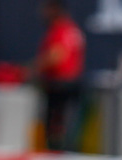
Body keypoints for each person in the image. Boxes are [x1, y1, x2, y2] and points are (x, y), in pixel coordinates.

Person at [35, 0, 85, 151]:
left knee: (56, 128)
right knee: (67, 125)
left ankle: (56, 152)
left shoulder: (60, 29)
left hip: (60, 86)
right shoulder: (73, 29)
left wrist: (31, 69)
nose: (42, 13)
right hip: (71, 85)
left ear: (55, 9)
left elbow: (56, 56)